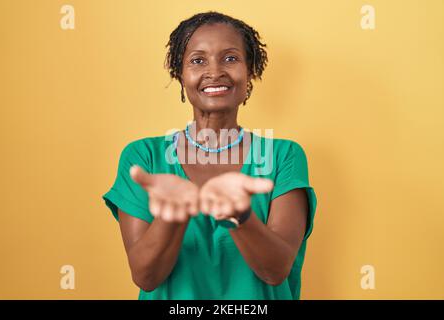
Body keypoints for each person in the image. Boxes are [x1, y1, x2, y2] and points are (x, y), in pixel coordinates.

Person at [102, 11, 318, 300]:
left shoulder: (283, 156)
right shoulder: (144, 157)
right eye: (197, 60)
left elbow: (275, 270)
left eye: (230, 58)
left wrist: (240, 215)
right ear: (180, 74)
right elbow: (146, 276)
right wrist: (172, 215)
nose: (215, 72)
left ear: (250, 71)